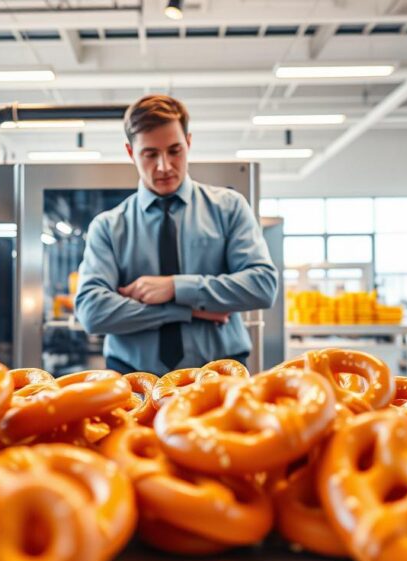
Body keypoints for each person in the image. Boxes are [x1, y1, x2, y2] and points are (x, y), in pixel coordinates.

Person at [74, 94, 278, 376]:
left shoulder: (229, 207)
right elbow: (92, 311)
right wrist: (186, 311)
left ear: (189, 143)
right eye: (150, 154)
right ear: (131, 152)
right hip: (133, 378)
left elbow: (262, 286)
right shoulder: (108, 226)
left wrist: (174, 287)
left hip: (219, 373)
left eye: (174, 150)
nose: (164, 166)